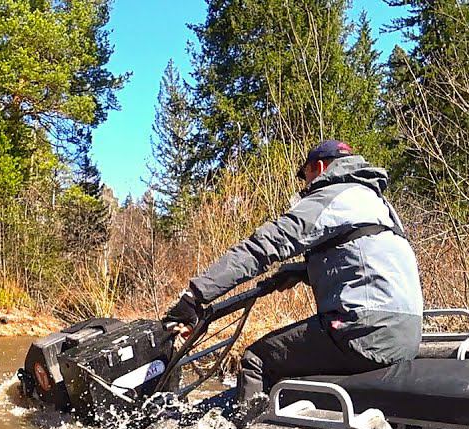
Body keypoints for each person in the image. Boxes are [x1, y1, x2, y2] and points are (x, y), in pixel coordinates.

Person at [163, 140, 423, 414]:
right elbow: (365, 265)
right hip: (405, 334)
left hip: (364, 331)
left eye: (306, 174)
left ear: (320, 167)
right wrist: (301, 272)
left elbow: (262, 247)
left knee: (256, 360)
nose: (305, 183)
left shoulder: (332, 196)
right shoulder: (375, 203)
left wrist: (195, 296)